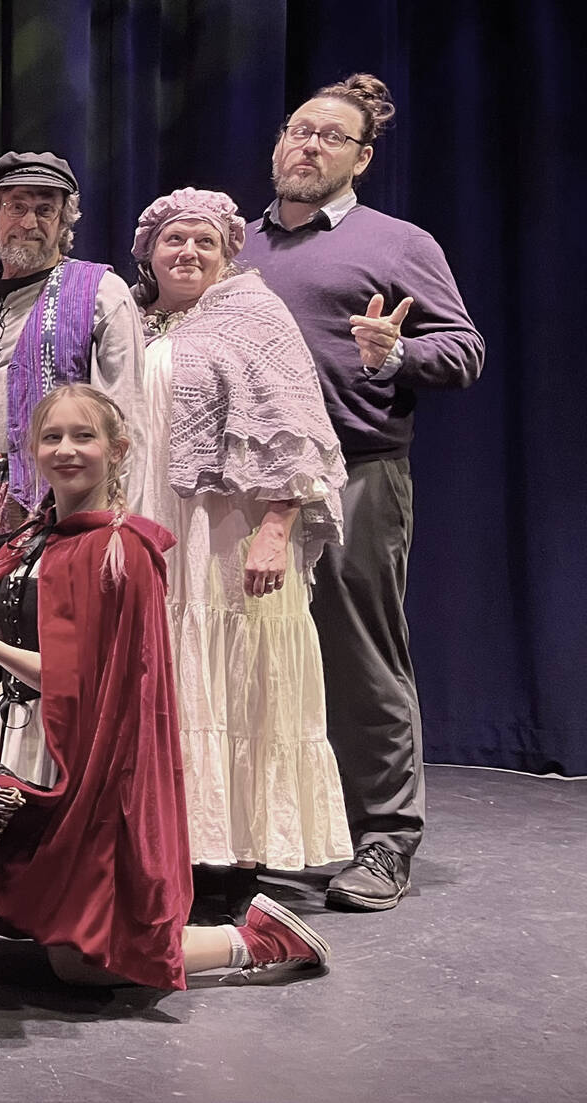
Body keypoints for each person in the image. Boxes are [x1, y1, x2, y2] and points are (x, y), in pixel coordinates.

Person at [0, 384, 328, 989]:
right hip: (6, 732)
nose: (66, 450)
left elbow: (95, 681)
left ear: (118, 449)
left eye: (84, 436)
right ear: (32, 450)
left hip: (75, 754)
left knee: (82, 968)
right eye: (52, 437)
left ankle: (250, 939)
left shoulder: (124, 551)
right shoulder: (31, 540)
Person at [238, 74, 485, 912]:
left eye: (329, 137)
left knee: (358, 652)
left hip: (355, 471)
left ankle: (386, 836)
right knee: (257, 657)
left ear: (362, 158)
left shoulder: (396, 242)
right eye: (297, 130)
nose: (306, 145)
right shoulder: (237, 241)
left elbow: (463, 349)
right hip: (247, 486)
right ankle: (287, 831)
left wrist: (395, 355)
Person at [127, 189, 352, 914]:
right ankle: (171, 846)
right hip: (154, 526)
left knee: (234, 680)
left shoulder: (255, 316)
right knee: (164, 676)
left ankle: (233, 863)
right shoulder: (131, 321)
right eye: (173, 240)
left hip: (228, 538)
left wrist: (278, 527)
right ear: (148, 252)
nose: (187, 252)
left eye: (204, 241)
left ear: (228, 252)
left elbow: (298, 433)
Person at [0, 152, 155, 532]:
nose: (28, 222)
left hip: (62, 503)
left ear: (64, 221)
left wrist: (114, 520)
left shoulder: (101, 292)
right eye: (15, 206)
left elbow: (126, 418)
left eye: (45, 210)